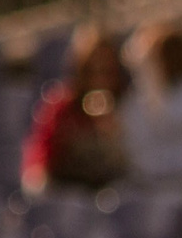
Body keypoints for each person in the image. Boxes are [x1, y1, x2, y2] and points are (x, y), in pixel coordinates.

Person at [22, 27, 132, 193]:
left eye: (107, 71)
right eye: (92, 71)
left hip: (112, 193)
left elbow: (135, 165)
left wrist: (111, 131)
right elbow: (40, 158)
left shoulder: (129, 106)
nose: (99, 79)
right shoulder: (61, 107)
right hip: (71, 192)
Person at [122, 22, 182, 186]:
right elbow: (134, 144)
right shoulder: (136, 99)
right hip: (150, 185)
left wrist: (149, 77)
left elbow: (166, 121)